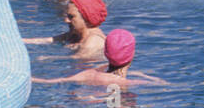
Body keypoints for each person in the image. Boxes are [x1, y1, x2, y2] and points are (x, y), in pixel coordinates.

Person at [32, 29, 168, 88]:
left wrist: (32, 79)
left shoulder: (89, 73)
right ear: (131, 56)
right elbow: (161, 86)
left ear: (106, 52)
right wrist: (159, 82)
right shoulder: (124, 84)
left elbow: (54, 81)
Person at [23, 0, 107, 59]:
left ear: (87, 19)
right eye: (67, 16)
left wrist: (48, 58)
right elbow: (47, 40)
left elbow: (80, 57)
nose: (66, 20)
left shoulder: (94, 40)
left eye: (71, 17)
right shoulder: (75, 35)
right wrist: (20, 41)